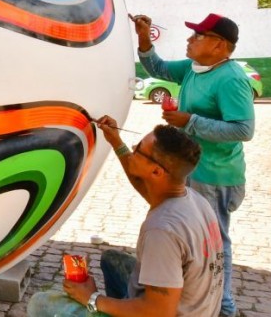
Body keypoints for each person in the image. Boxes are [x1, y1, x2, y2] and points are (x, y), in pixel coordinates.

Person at [27, 121, 224, 317]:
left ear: (156, 172)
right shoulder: (193, 200)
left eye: (138, 149)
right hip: (195, 306)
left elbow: (160, 312)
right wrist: (116, 141)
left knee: (40, 304)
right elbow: (143, 184)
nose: (132, 149)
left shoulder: (162, 232)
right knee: (111, 260)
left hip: (160, 311)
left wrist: (92, 298)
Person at [132, 12, 255, 317]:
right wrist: (144, 37)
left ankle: (223, 307)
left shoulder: (231, 79)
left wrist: (191, 121)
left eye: (198, 36)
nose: (189, 40)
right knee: (196, 238)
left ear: (219, 45)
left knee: (213, 241)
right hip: (193, 170)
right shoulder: (193, 68)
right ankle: (190, 294)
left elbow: (243, 129)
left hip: (216, 176)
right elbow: (157, 67)